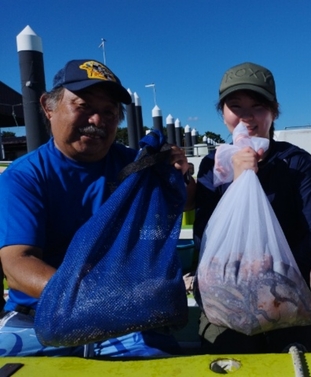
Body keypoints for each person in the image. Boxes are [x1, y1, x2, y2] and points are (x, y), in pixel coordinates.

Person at [0, 59, 195, 357]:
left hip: (125, 319)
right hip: (37, 316)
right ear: (48, 107)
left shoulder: (138, 167)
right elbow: (17, 264)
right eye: (83, 106)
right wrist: (97, 299)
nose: (97, 120)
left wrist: (179, 175)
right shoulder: (24, 177)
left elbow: (186, 203)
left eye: (109, 112)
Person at [193, 62, 311, 354]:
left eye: (258, 106)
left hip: (289, 294)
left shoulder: (297, 163)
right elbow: (203, 238)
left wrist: (275, 284)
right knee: (228, 350)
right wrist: (236, 180)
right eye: (235, 106)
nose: (246, 117)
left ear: (275, 111)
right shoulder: (212, 164)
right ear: (223, 113)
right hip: (226, 295)